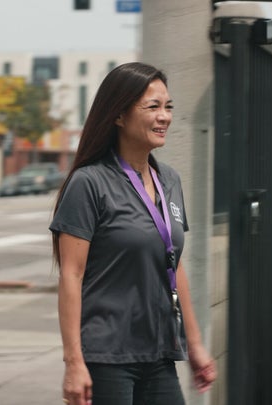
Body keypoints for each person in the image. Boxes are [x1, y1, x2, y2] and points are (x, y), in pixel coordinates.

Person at [50, 62, 217, 405]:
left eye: (168, 107)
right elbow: (71, 274)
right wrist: (74, 362)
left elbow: (174, 265)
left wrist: (195, 345)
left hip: (158, 352)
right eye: (152, 107)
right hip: (108, 357)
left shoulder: (169, 180)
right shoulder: (90, 183)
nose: (164, 116)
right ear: (119, 116)